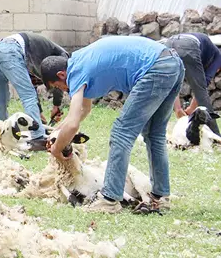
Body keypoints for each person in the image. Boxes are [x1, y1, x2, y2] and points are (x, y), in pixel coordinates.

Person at [40, 36, 185, 213]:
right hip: (171, 62)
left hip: (154, 68)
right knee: (155, 135)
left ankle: (109, 200)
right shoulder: (81, 61)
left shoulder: (76, 72)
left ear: (61, 75)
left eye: (58, 86)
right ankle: (160, 197)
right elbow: (83, 110)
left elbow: (73, 125)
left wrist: (56, 150)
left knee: (121, 133)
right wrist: (57, 130)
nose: (63, 90)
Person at [0, 32, 69, 140]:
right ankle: (38, 137)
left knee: (1, 99)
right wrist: (56, 105)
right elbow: (58, 81)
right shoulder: (63, 60)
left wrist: (39, 112)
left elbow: (32, 82)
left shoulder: (43, 60)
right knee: (28, 96)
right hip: (11, 50)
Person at [160, 33, 221, 134]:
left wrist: (178, 109)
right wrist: (192, 108)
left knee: (169, 80)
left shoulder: (207, 52)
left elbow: (173, 83)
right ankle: (216, 136)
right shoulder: (218, 57)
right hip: (188, 45)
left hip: (169, 42)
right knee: (202, 93)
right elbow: (201, 87)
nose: (216, 72)